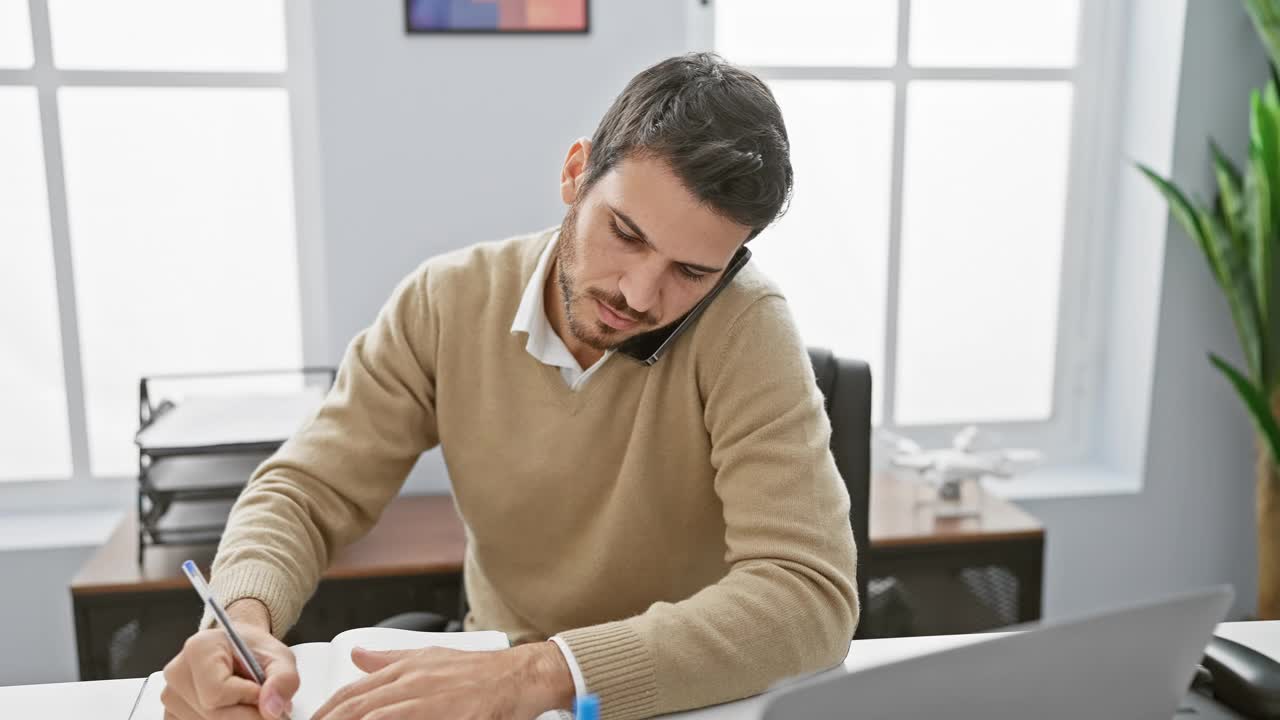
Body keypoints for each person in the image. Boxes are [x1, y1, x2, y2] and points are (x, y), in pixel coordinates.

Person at [160, 52, 858, 720]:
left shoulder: (747, 328)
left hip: (678, 696)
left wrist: (540, 675)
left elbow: (810, 594)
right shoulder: (445, 301)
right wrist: (240, 620)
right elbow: (304, 492)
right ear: (576, 174)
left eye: (692, 272)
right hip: (486, 686)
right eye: (626, 233)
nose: (639, 293)